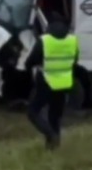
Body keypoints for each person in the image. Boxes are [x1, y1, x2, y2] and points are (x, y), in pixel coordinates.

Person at [24, 13, 80, 150]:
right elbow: (75, 61)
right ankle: (54, 147)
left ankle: (50, 135)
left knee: (33, 112)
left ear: (49, 25)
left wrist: (30, 66)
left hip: (46, 81)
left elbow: (30, 61)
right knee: (55, 116)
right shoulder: (73, 40)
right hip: (65, 82)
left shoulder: (45, 40)